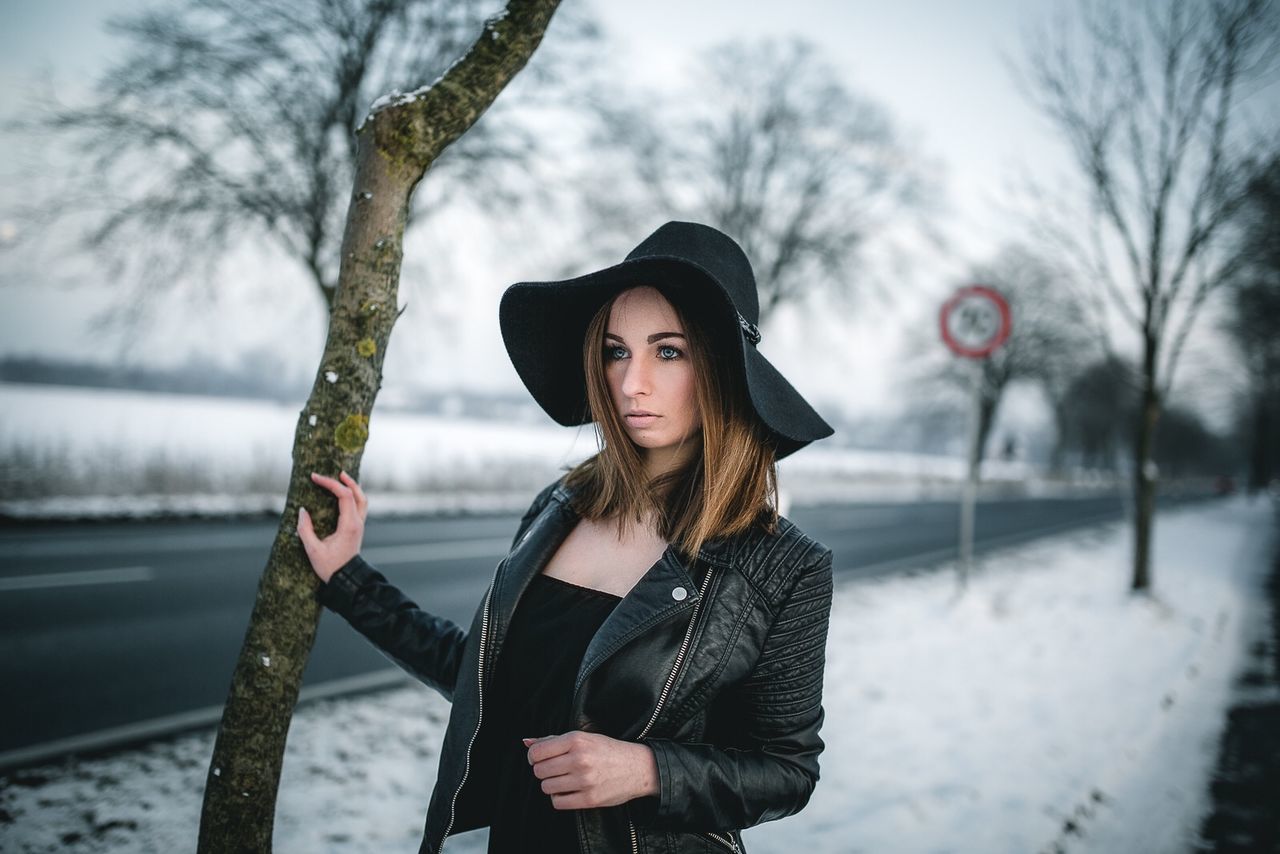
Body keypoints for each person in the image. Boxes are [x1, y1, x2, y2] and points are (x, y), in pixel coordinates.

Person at [297, 221, 836, 854]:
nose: (632, 382)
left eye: (669, 351)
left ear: (722, 366)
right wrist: (350, 579)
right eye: (616, 351)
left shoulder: (782, 567)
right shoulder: (561, 508)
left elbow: (787, 771)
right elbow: (483, 674)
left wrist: (645, 771)